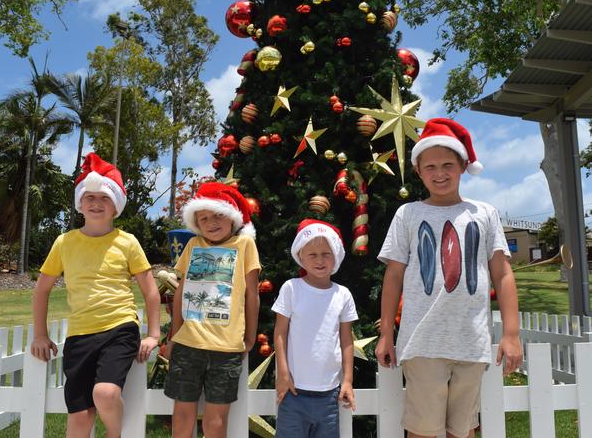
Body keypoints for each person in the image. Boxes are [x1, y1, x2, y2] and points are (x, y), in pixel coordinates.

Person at [375, 118, 523, 438]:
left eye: (447, 164)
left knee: (464, 429)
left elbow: (503, 273)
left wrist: (511, 333)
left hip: (471, 343)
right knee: (423, 430)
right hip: (422, 342)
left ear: (462, 165)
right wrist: (386, 332)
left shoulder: (483, 213)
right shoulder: (408, 214)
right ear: (417, 170)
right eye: (430, 166)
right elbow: (393, 276)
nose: (439, 173)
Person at [31, 152, 160, 438]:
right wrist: (40, 334)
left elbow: (150, 292)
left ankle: (113, 435)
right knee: (79, 417)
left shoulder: (127, 242)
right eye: (89, 197)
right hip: (79, 336)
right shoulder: (64, 242)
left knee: (105, 393)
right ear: (79, 203)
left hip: (120, 328)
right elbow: (42, 289)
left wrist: (152, 334)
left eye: (104, 198)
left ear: (116, 206)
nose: (96, 203)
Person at [163, 182, 261, 438]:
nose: (211, 222)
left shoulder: (244, 245)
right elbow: (180, 293)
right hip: (188, 344)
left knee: (215, 423)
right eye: (203, 218)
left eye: (218, 214)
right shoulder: (194, 245)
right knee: (182, 416)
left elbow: (252, 294)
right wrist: (175, 334)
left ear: (232, 216)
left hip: (225, 348)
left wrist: (250, 336)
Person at [272, 219, 358, 438]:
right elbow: (280, 333)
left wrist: (347, 381)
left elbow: (346, 340)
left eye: (326, 254)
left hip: (329, 395)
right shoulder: (291, 288)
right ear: (300, 256)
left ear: (336, 256)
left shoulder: (343, 295)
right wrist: (283, 374)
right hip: (293, 392)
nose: (320, 260)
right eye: (313, 254)